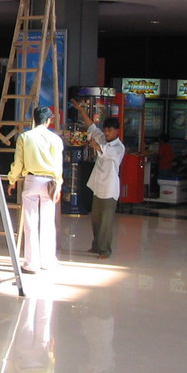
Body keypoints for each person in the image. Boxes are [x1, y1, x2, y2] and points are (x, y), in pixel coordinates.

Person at [7, 106, 63, 275]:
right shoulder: (55, 139)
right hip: (50, 182)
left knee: (30, 222)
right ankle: (47, 261)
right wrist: (59, 184)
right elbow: (58, 165)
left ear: (34, 119)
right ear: (48, 120)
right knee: (48, 222)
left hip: (31, 180)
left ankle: (31, 263)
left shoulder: (24, 137)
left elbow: (18, 162)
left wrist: (12, 180)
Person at [71, 101, 125, 259]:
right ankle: (96, 246)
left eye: (110, 130)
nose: (107, 133)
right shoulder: (101, 138)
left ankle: (105, 250)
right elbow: (91, 126)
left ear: (116, 131)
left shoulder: (118, 147)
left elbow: (104, 150)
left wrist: (95, 145)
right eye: (106, 130)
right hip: (98, 187)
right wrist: (81, 109)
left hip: (109, 189)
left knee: (106, 223)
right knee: (96, 220)